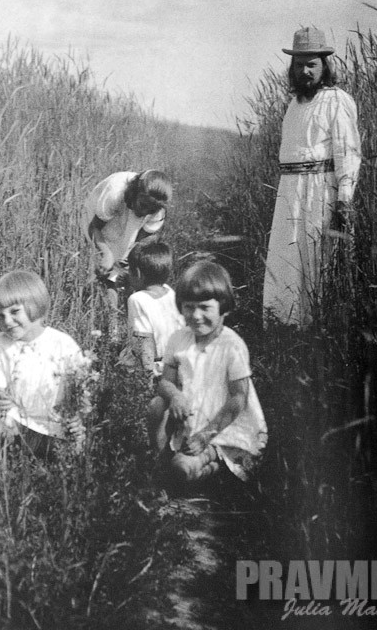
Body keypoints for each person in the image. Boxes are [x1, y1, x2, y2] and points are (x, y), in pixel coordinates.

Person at [263, 27, 361, 328]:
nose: (305, 71)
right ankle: (286, 327)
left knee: (317, 262)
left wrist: (344, 199)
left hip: (320, 190)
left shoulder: (336, 100)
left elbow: (348, 151)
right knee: (286, 262)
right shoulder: (293, 106)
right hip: (289, 190)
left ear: (324, 66)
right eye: (299, 65)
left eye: (311, 64)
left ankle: (319, 329)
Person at [149, 260, 267, 485]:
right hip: (190, 421)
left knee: (182, 469)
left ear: (223, 307)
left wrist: (206, 435)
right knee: (157, 405)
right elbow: (165, 382)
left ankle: (211, 466)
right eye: (189, 307)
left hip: (222, 427)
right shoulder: (178, 339)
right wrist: (175, 395)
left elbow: (238, 398)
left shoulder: (231, 345)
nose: (195, 315)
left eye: (204, 307)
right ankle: (160, 458)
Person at [0, 270, 91, 459]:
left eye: (14, 311)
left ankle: (48, 455)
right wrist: (0, 397)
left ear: (34, 305)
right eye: (0, 316)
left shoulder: (62, 343)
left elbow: (81, 388)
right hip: (16, 416)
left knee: (73, 448)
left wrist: (77, 416)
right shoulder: (0, 343)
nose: (7, 321)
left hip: (52, 420)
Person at [82, 169, 172, 321]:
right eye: (143, 205)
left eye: (150, 210)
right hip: (102, 220)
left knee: (121, 270)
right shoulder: (115, 193)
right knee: (107, 269)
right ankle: (109, 320)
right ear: (136, 192)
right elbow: (94, 227)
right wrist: (107, 254)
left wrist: (130, 257)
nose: (144, 212)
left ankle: (128, 320)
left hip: (130, 224)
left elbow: (142, 239)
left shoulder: (156, 210)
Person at [123, 241, 185, 379]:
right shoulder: (169, 291)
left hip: (156, 368)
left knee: (123, 360)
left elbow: (144, 341)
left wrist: (147, 378)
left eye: (129, 270)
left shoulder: (137, 299)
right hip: (177, 362)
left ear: (138, 273)